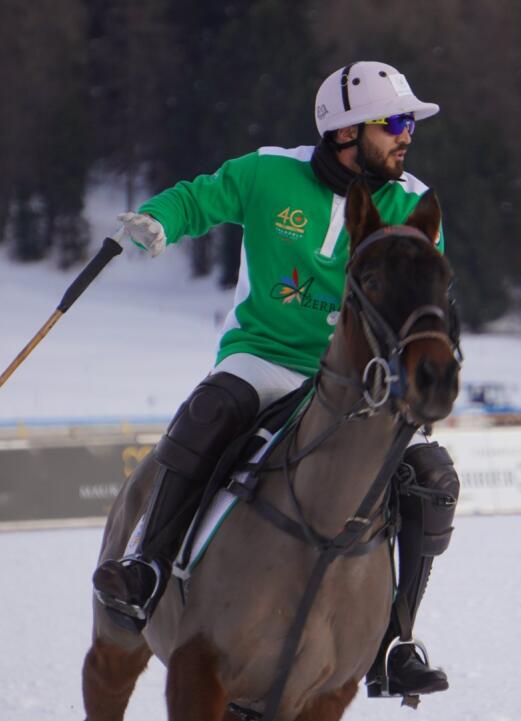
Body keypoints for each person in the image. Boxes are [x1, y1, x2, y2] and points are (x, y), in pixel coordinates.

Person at [92, 61, 460, 699]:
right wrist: (157, 223)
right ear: (345, 131)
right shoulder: (268, 173)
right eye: (394, 122)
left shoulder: (411, 204)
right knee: (210, 414)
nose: (407, 135)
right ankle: (147, 569)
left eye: (410, 124)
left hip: (355, 381)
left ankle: (395, 639)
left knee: (430, 478)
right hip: (264, 361)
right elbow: (197, 197)